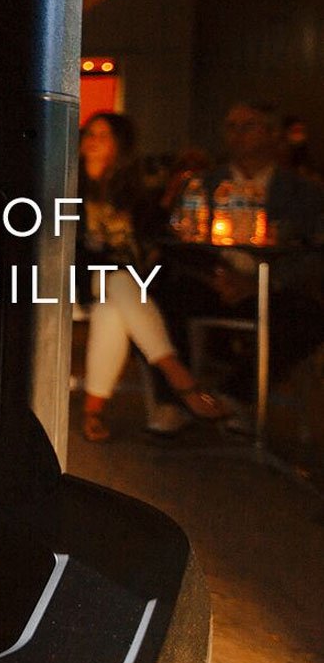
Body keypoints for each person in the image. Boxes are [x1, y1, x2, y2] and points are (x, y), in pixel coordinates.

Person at [155, 101, 324, 404]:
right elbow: (178, 241)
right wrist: (216, 275)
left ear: (272, 134)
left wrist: (263, 282)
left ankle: (234, 397)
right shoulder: (202, 185)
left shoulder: (303, 192)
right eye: (231, 127)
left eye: (248, 126)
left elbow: (312, 252)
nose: (237, 134)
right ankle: (175, 401)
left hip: (271, 288)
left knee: (307, 318)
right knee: (159, 299)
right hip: (212, 282)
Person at [76, 113, 226, 443]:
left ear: (119, 144)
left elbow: (160, 238)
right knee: (117, 279)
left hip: (130, 285)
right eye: (90, 133)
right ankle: (180, 378)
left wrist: (214, 271)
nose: (93, 140)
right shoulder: (68, 184)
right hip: (81, 278)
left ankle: (93, 410)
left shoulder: (134, 193)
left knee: (110, 310)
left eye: (103, 135)